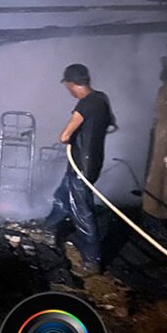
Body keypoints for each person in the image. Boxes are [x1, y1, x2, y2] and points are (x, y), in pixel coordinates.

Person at [45, 64, 116, 275]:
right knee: (62, 195)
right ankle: (48, 228)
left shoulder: (84, 105)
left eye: (67, 85)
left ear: (73, 84)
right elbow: (111, 123)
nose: (68, 90)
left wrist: (72, 139)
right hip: (92, 162)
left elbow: (64, 136)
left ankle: (91, 260)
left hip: (81, 166)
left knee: (82, 212)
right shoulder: (101, 98)